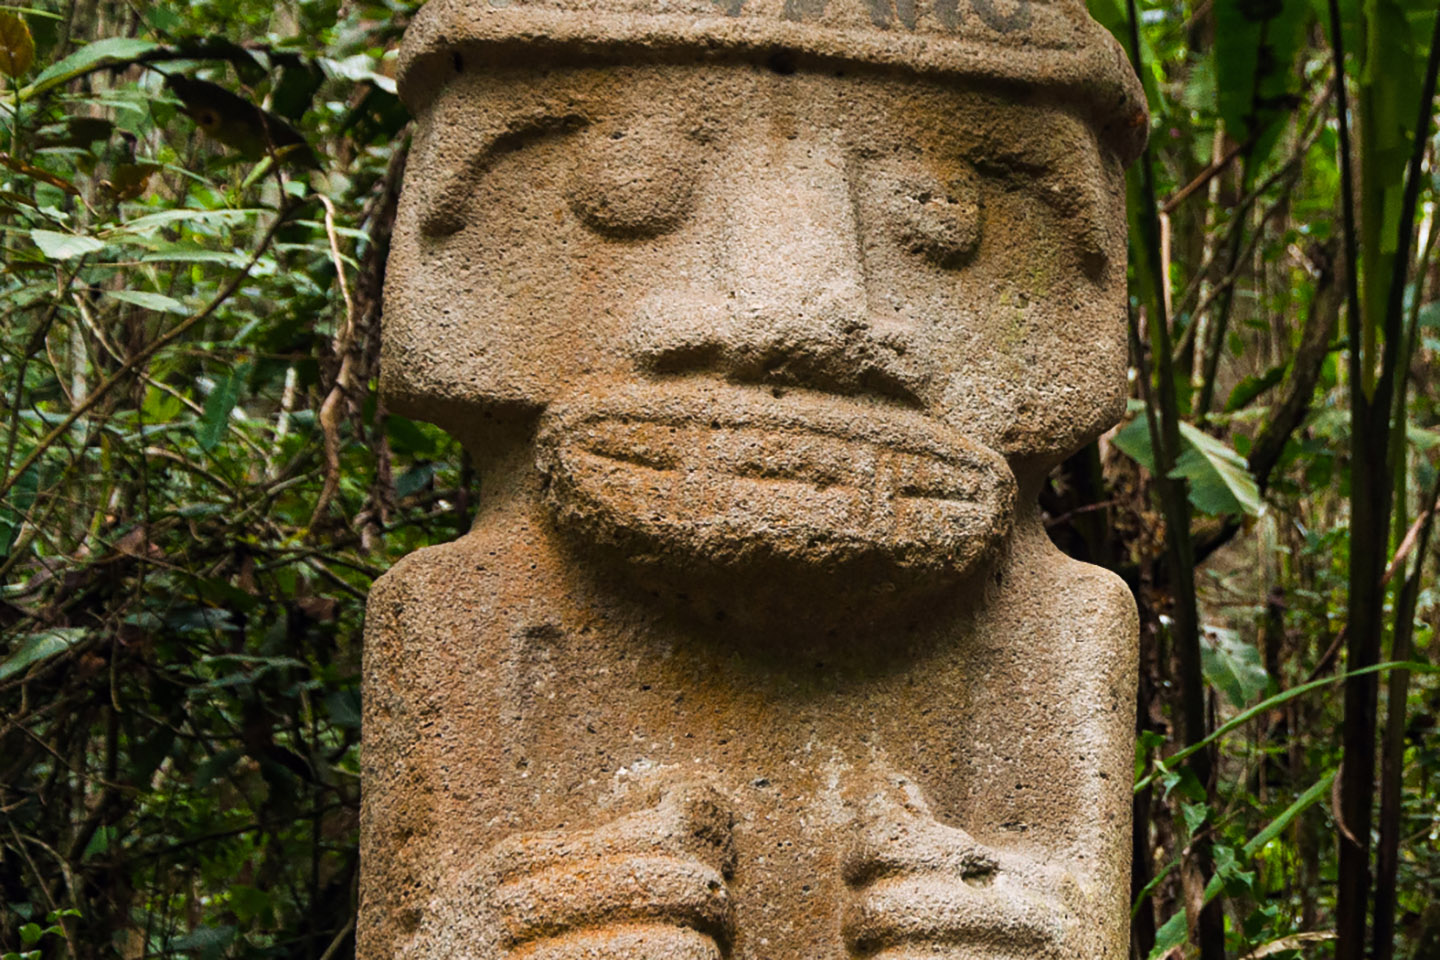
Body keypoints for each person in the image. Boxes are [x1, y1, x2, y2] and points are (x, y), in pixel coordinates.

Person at [361, 2, 1146, 957]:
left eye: (940, 206)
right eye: (628, 182)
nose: (801, 317)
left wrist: (1025, 925)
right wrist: (489, 928)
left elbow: (1072, 909)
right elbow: (420, 918)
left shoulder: (1055, 625)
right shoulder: (469, 607)